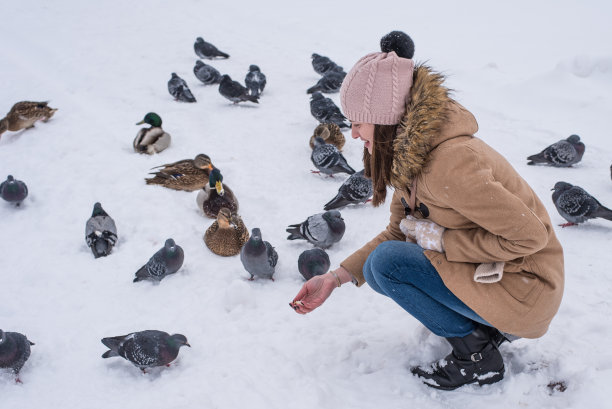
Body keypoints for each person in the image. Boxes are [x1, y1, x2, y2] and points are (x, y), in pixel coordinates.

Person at [290, 31, 564, 390]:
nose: (354, 134)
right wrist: (335, 277)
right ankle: (481, 330)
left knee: (389, 263)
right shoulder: (411, 158)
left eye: (358, 121)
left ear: (385, 118)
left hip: (526, 291)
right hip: (499, 278)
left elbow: (530, 237)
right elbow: (399, 231)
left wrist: (444, 241)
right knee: (378, 266)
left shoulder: (451, 163)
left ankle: (477, 355)